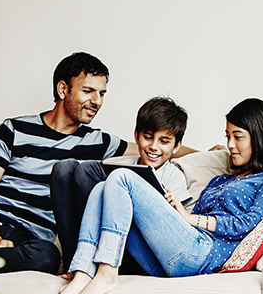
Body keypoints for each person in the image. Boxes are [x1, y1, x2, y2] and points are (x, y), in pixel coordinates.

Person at [43, 98, 263, 294]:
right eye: (228, 137)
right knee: (101, 188)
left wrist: (188, 218)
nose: (230, 145)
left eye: (238, 137)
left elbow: (247, 224)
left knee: (122, 176)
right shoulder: (221, 179)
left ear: (261, 137)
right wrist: (173, 212)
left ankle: (108, 274)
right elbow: (192, 219)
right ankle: (83, 272)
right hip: (173, 254)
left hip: (202, 255)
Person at [0, 52, 129, 274]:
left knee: (47, 257)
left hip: (30, 240)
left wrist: (179, 146)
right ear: (63, 90)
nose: (97, 101)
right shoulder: (14, 129)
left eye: (102, 93)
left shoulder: (98, 141)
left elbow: (148, 146)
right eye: (88, 91)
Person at [50, 97, 192, 273]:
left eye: (164, 141)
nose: (154, 147)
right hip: (100, 233)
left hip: (133, 249)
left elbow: (178, 231)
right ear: (136, 137)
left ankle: (92, 265)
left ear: (177, 146)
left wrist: (171, 206)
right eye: (148, 137)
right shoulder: (121, 164)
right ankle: (75, 262)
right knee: (63, 168)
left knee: (86, 170)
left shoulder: (174, 176)